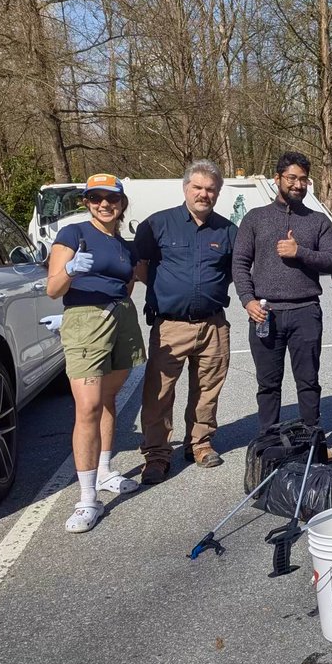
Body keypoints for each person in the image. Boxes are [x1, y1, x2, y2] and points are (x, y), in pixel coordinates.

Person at [46, 173, 146, 533]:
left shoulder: (124, 244)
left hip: (121, 318)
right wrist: (70, 271)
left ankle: (104, 471)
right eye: (96, 198)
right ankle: (87, 499)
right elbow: (53, 287)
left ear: (121, 204)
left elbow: (129, 282)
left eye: (112, 198)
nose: (105, 204)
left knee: (108, 398)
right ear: (87, 202)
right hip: (87, 320)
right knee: (87, 407)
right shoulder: (74, 234)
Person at [134, 160, 236, 485]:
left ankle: (200, 443)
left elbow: (234, 271)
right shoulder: (157, 225)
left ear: (217, 193)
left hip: (214, 325)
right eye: (198, 187)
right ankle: (156, 455)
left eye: (210, 189)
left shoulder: (227, 230)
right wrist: (165, 293)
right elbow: (140, 267)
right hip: (170, 325)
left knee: (208, 389)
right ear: (185, 188)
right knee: (159, 393)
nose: (204, 194)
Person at [232, 151, 332, 432]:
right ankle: (270, 440)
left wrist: (300, 252)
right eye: (291, 178)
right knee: (268, 384)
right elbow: (240, 263)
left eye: (303, 179)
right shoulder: (255, 219)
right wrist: (247, 300)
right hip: (265, 313)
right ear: (277, 179)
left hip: (305, 311)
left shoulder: (318, 221)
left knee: (308, 381)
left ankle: (312, 438)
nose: (298, 184)